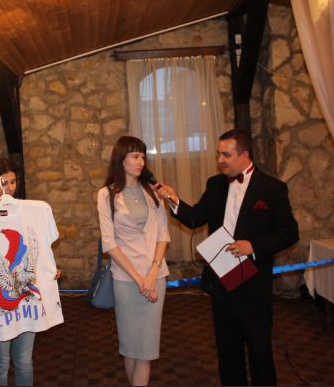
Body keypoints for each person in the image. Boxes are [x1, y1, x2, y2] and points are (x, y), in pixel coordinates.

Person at [155, 129, 299, 386]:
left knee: (259, 348)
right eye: (218, 154)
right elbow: (196, 218)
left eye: (226, 155)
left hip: (254, 282)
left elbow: (289, 233)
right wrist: (174, 200)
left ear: (244, 155)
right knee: (227, 349)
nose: (220, 160)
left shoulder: (272, 188)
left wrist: (253, 245)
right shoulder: (216, 184)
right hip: (222, 279)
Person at [0, 158, 60, 386]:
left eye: (13, 182)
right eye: (3, 183)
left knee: (24, 360)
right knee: (1, 364)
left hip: (25, 302)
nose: (9, 188)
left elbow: (35, 252)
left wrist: (48, 271)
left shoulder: (28, 212)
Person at [96, 136, 170, 386]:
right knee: (130, 347)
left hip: (155, 277)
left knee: (146, 350)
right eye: (135, 156)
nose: (141, 162)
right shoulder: (105, 195)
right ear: (121, 159)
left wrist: (152, 274)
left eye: (143, 156)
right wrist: (140, 279)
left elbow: (163, 236)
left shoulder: (154, 192)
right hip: (127, 280)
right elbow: (109, 244)